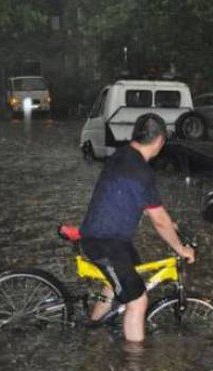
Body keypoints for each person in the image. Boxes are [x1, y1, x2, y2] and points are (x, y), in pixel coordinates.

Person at [79, 113, 195, 343]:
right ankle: (135, 366)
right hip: (105, 242)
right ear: (160, 141)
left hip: (106, 237)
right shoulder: (141, 172)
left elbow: (130, 197)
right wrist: (181, 248)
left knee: (129, 276)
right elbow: (159, 220)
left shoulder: (121, 156)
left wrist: (166, 221)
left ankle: (94, 325)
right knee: (138, 300)